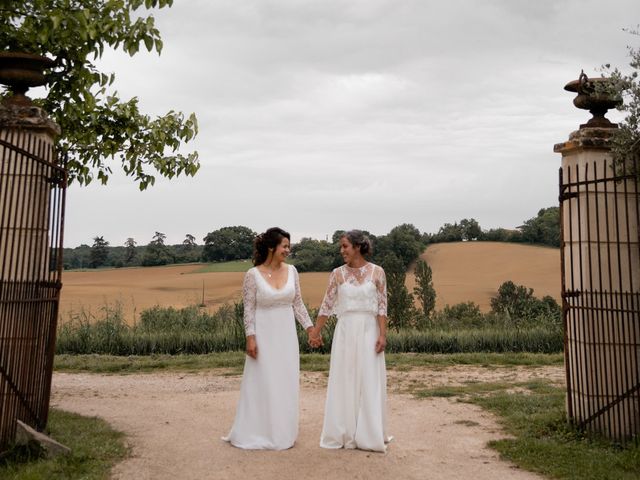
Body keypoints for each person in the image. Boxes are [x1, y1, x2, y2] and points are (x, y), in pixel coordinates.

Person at [222, 227, 317, 450]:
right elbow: (248, 310)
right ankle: (257, 430)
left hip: (286, 335)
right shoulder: (252, 275)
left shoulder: (292, 271)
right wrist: (250, 337)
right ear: (271, 248)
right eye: (284, 246)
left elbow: (298, 304)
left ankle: (283, 431)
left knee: (285, 380)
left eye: (288, 246)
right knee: (263, 381)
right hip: (263, 334)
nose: (288, 250)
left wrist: (310, 328)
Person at [309, 230, 391, 452]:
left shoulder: (378, 272)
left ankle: (369, 432)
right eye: (341, 247)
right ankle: (344, 430)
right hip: (345, 330)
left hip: (369, 331)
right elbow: (326, 305)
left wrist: (382, 335)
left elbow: (382, 307)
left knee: (368, 378)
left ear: (357, 247)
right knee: (345, 377)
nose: (341, 251)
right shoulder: (337, 274)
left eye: (345, 246)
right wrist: (315, 332)